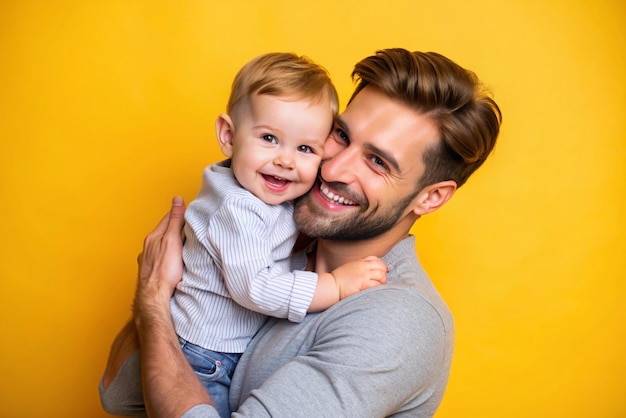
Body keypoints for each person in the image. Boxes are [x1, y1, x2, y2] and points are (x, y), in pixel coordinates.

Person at [100, 48, 502, 417]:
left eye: (377, 161)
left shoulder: (398, 320)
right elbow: (119, 396)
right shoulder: (273, 230)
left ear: (430, 198)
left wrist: (153, 301)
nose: (333, 169)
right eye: (341, 135)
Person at [115, 52, 389, 417]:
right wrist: (336, 285)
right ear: (228, 136)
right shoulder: (237, 209)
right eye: (269, 138)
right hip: (204, 355)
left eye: (305, 148)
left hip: (216, 346)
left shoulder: (265, 191)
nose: (286, 160)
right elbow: (255, 288)